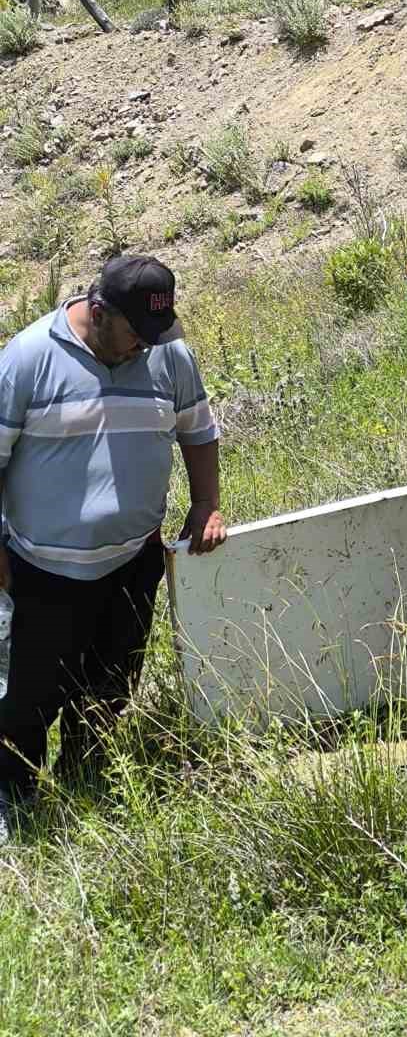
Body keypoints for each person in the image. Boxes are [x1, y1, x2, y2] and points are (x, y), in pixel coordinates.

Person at [0, 256, 225, 840]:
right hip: (41, 571)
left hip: (132, 563)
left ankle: (85, 780)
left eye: (155, 332)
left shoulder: (167, 352)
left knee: (110, 684)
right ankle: (15, 803)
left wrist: (206, 504)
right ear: (98, 312)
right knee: (27, 699)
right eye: (135, 332)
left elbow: (198, 431)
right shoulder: (27, 359)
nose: (145, 346)